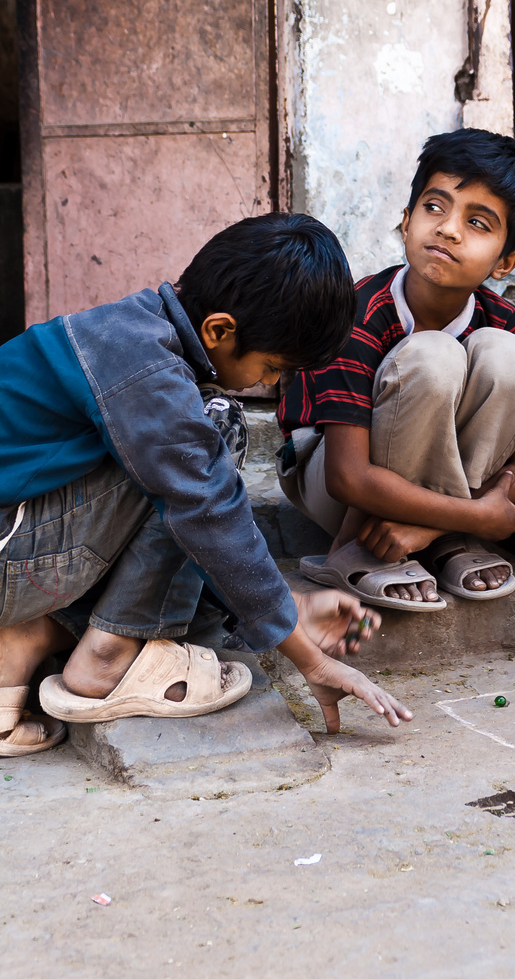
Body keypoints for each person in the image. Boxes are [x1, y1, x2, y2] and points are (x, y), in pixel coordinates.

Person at [0, 213, 412, 758]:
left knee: (205, 580)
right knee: (216, 427)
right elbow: (206, 512)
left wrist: (285, 605)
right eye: (273, 368)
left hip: (18, 541)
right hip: (12, 554)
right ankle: (107, 655)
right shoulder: (147, 373)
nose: (270, 384)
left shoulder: (126, 333)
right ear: (219, 330)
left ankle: (23, 643)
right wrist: (308, 658)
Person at [276, 129, 515, 611]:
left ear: (506, 261)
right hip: (332, 483)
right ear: (406, 221)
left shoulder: (502, 321)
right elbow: (347, 477)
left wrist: (439, 521)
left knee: (505, 354)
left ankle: (436, 540)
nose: (448, 229)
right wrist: (480, 516)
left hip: (437, 497)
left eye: (479, 223)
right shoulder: (358, 310)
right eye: (435, 207)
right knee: (432, 355)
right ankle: (353, 545)